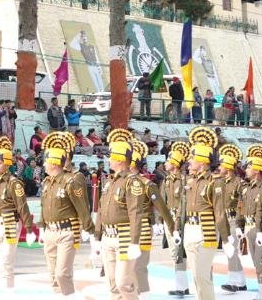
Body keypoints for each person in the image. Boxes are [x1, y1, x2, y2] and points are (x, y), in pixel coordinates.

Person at [93, 128, 148, 300]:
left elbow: (136, 213)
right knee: (112, 283)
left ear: (120, 159)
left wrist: (134, 242)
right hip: (107, 236)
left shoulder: (132, 182)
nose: (109, 159)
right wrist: (96, 237)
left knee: (123, 282)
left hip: (123, 236)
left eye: (112, 156)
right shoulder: (110, 182)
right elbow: (102, 210)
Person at [38, 130, 94, 296]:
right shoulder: (47, 181)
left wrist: (87, 228)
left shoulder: (74, 179)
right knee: (53, 275)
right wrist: (42, 227)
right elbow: (44, 206)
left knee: (63, 273)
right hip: (50, 230)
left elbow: (82, 205)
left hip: (68, 229)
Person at [180, 126, 233, 300]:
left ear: (202, 161)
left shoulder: (215, 182)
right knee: (196, 276)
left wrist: (225, 239)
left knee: (203, 276)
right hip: (190, 229)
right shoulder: (191, 181)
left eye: (192, 158)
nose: (189, 161)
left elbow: (219, 211)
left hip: (206, 231)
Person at [0, 137, 36, 289]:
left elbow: (22, 207)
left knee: (6, 263)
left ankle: (8, 293)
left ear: (7, 164)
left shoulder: (14, 183)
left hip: (10, 225)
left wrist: (29, 229)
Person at [129, 140, 174, 300]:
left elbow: (161, 206)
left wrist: (168, 225)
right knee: (126, 270)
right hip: (123, 230)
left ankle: (144, 295)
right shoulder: (120, 183)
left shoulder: (147, 184)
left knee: (139, 266)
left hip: (142, 229)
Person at [241, 145, 262, 300]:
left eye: (249, 167)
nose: (246, 169)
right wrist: (240, 227)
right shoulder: (247, 188)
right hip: (248, 227)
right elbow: (241, 208)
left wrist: (261, 230)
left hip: (258, 227)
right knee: (255, 262)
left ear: (257, 170)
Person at [214, 144, 247, 292]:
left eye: (221, 165)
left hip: (234, 219)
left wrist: (241, 224)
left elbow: (243, 203)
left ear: (228, 167)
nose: (219, 168)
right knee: (230, 251)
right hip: (222, 219)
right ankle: (240, 281)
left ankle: (234, 281)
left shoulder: (239, 183)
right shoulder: (218, 181)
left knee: (231, 250)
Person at [160, 141, 190, 297]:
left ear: (176, 164)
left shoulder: (184, 180)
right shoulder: (166, 180)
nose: (165, 164)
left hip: (181, 218)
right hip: (168, 218)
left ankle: (183, 285)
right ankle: (182, 285)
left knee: (182, 252)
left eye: (168, 161)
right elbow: (162, 202)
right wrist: (160, 221)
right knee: (174, 252)